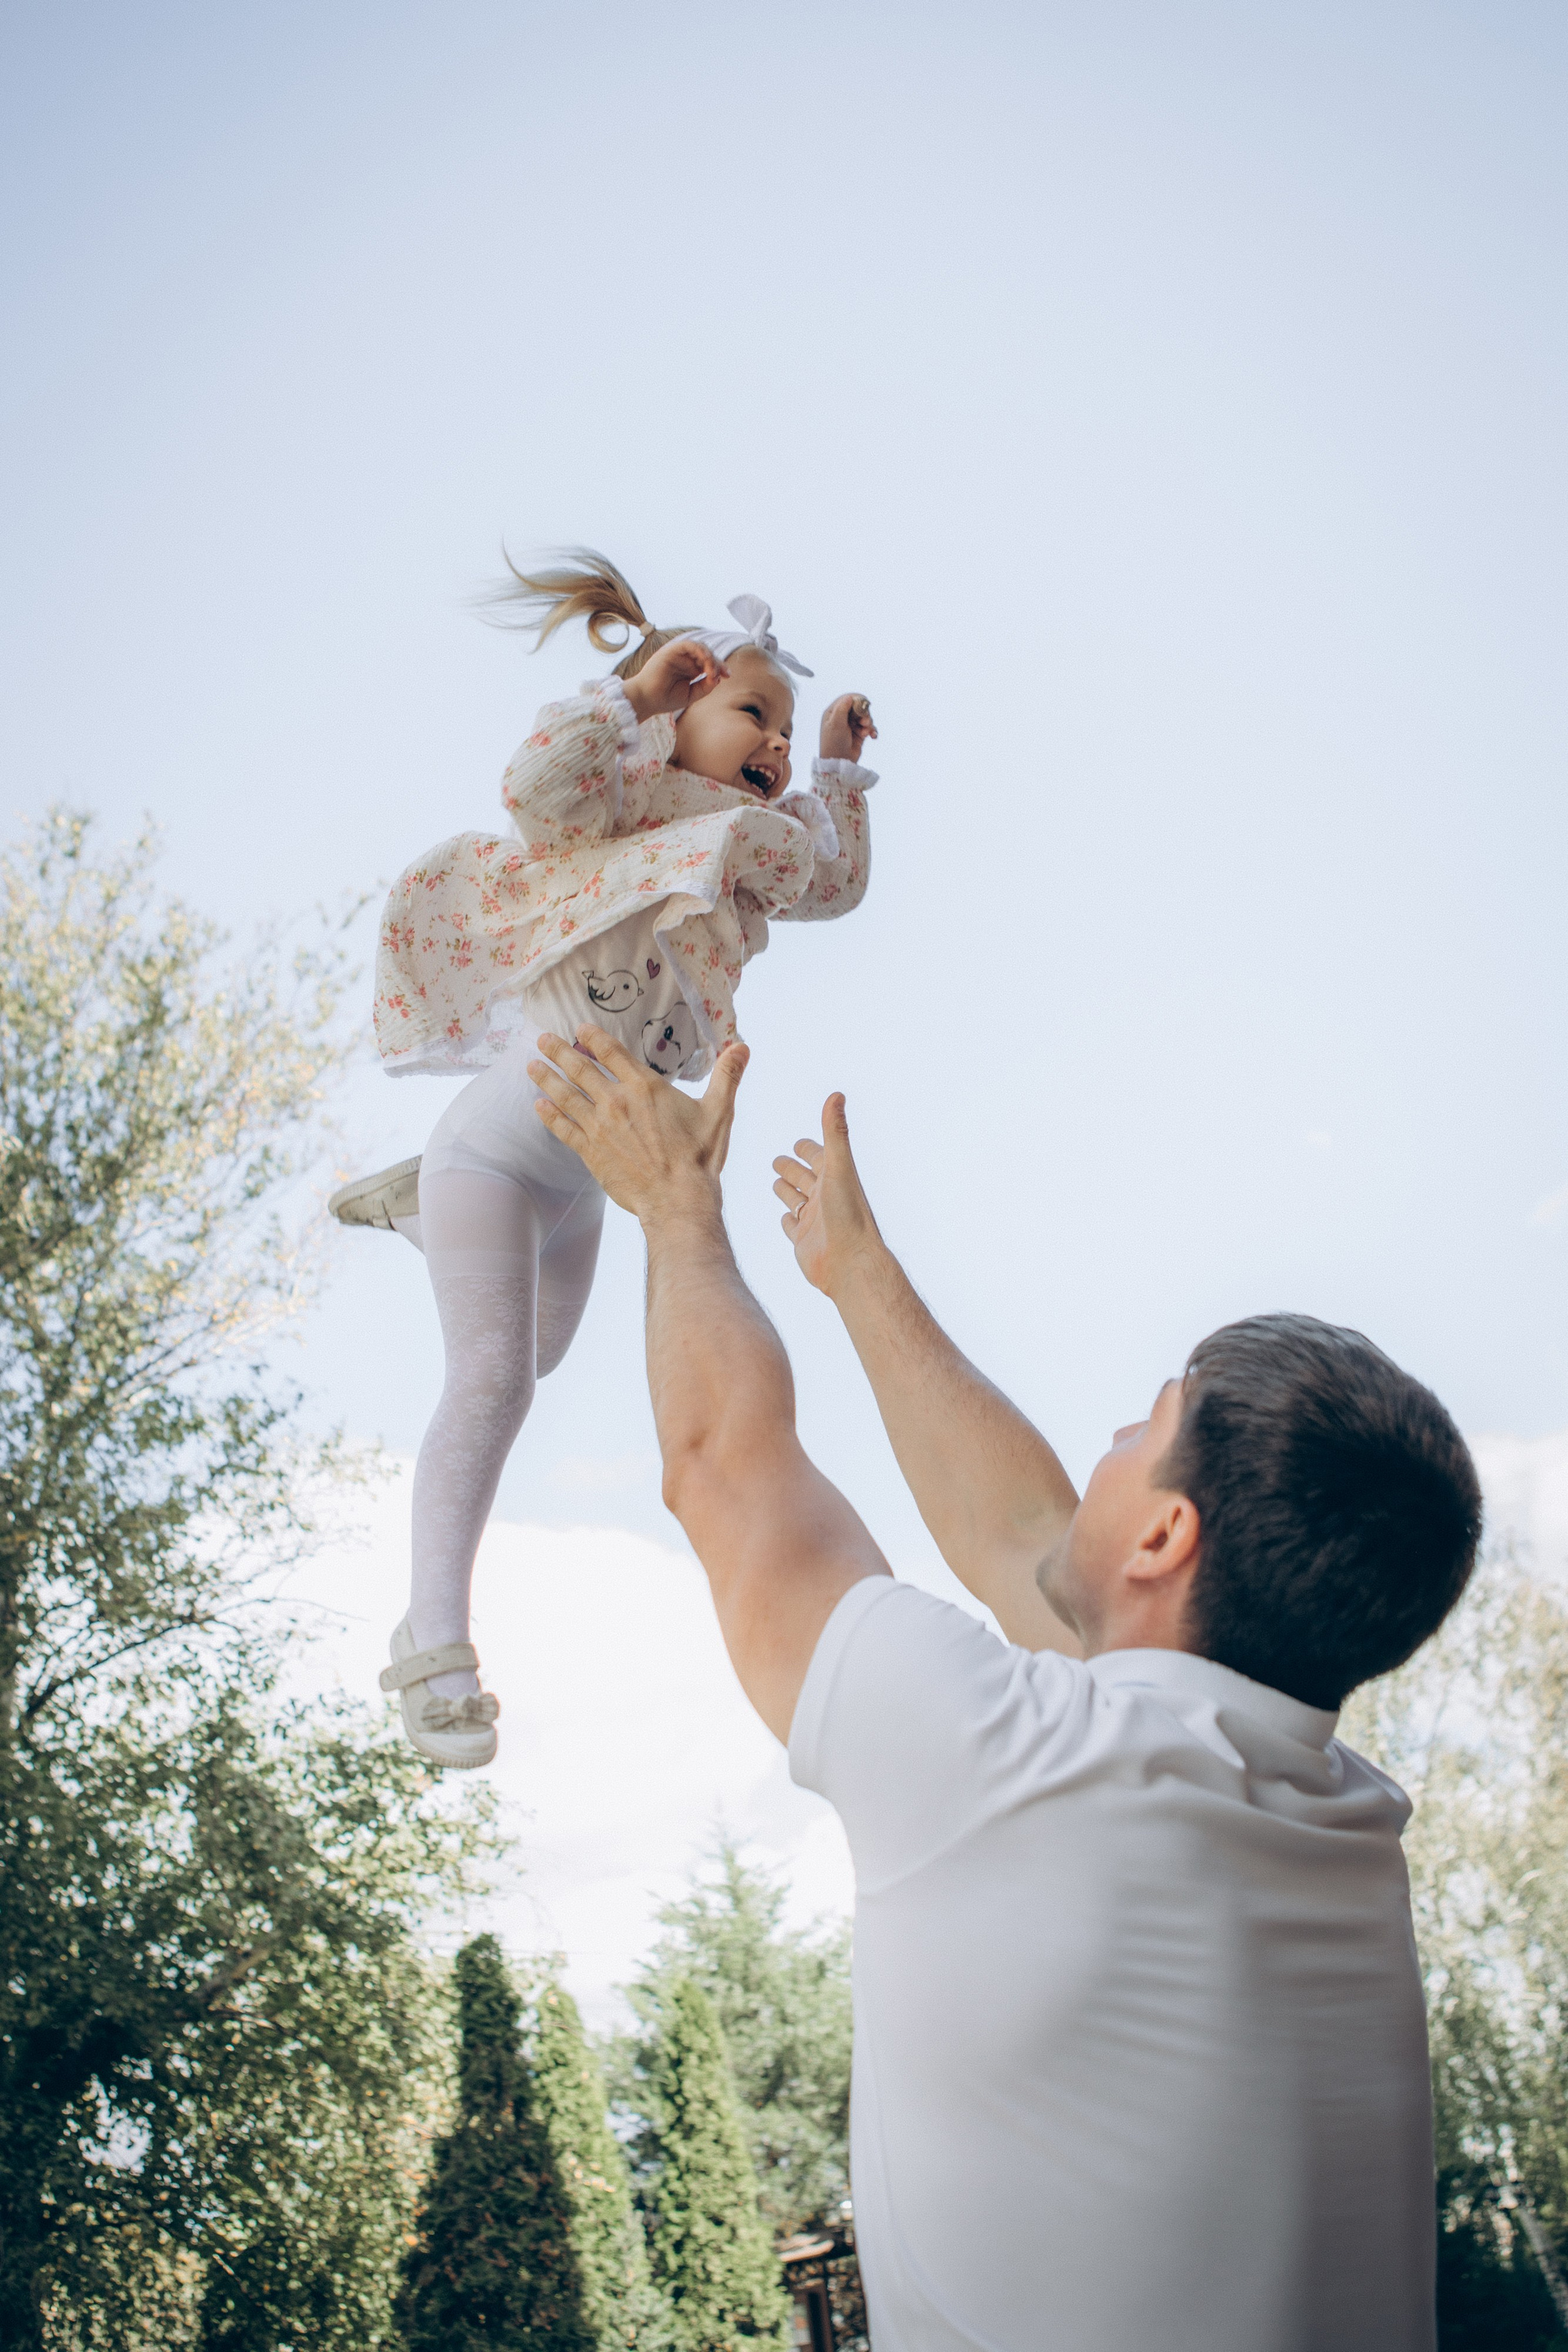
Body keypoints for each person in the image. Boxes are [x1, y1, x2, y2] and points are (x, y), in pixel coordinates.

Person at [523, 1025, 1482, 2352]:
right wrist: (856, 1279)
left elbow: (723, 1471)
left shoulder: (1012, 1764)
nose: (1100, 1447)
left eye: (1135, 1432)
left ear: (1162, 1540)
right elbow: (1025, 1540)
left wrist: (676, 1208)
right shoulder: (1334, 1819)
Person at [326, 551, 880, 1768]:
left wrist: (836, 770)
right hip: (507, 1134)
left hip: (582, 1170)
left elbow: (833, 883)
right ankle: (432, 1647)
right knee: (491, 1383)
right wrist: (629, 702)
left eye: (781, 731)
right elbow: (533, 778)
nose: (773, 743)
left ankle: (425, 1202)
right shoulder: (611, 808)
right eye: (754, 713)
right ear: (678, 709)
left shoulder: (749, 850)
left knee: (537, 1358)